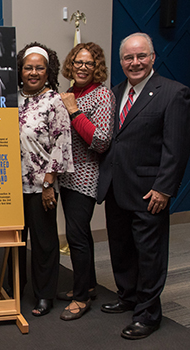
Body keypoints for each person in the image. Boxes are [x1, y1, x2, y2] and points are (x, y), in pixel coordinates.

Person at [97, 33, 190, 339]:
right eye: (128, 58)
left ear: (152, 57)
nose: (134, 63)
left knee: (150, 255)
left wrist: (165, 189)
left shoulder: (173, 93)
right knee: (121, 248)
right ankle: (128, 297)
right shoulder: (116, 91)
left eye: (141, 56)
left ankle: (148, 314)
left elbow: (176, 148)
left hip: (150, 192)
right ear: (121, 61)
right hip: (116, 188)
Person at [12, 42, 74, 317]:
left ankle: (44, 295)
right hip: (10, 186)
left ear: (48, 71)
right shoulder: (11, 97)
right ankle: (15, 290)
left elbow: (61, 144)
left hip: (41, 186)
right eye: (29, 67)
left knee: (44, 243)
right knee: (15, 241)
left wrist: (49, 184)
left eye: (40, 68)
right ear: (20, 70)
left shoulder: (55, 101)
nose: (33, 72)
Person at [57, 42, 114, 320]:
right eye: (78, 62)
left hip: (86, 175)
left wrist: (74, 111)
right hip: (67, 175)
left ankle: (81, 299)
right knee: (82, 234)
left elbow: (101, 141)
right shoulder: (71, 92)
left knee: (76, 236)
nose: (82, 67)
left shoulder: (103, 96)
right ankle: (88, 284)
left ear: (97, 67)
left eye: (88, 63)